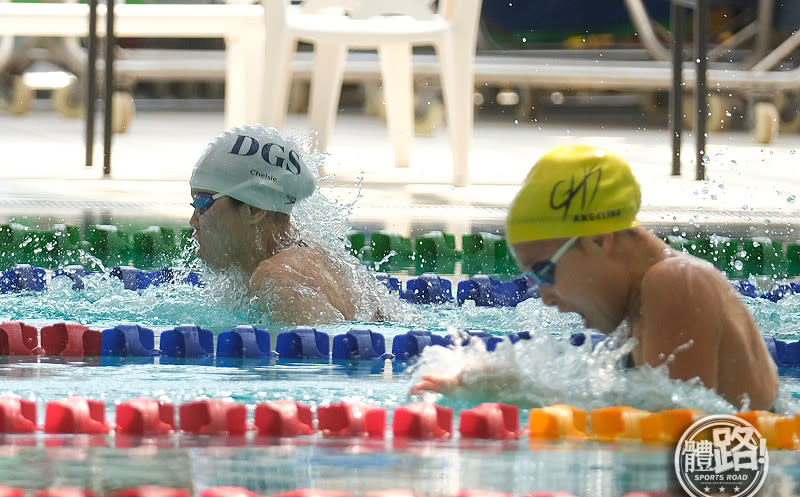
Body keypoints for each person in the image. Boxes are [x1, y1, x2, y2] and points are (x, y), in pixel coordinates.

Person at [411, 145, 779, 411]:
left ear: (601, 240)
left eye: (544, 271)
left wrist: (519, 391)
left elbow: (672, 426)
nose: (544, 296)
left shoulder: (675, 282)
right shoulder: (638, 307)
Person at [189, 124, 378, 324]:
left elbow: (319, 352)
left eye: (202, 203)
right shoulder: (311, 257)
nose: (193, 221)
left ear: (254, 209)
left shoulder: (280, 281)